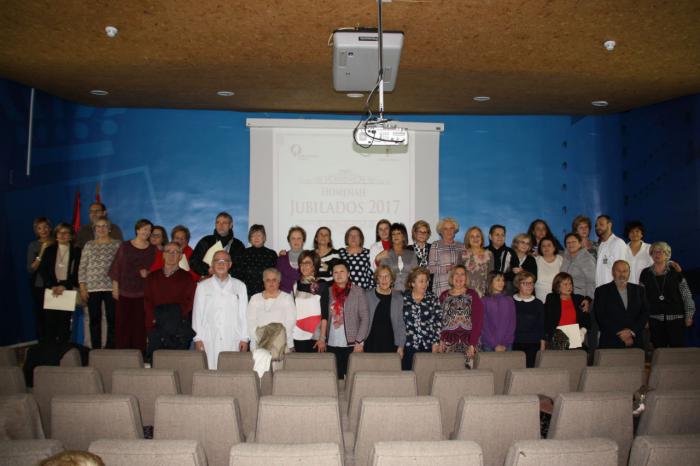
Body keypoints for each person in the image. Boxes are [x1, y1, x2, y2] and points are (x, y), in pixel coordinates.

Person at [192, 250, 249, 369]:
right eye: (217, 261)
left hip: (233, 337)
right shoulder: (202, 286)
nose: (221, 264)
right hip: (208, 338)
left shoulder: (240, 286)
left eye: (225, 261)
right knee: (210, 371)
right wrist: (198, 338)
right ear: (212, 265)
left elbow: (243, 315)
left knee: (231, 373)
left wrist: (244, 338)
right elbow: (197, 314)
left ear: (230, 264)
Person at [108, 219, 157, 352]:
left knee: (139, 326)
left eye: (149, 230)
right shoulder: (125, 246)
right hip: (124, 292)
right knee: (123, 325)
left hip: (143, 293)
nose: (146, 232)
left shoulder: (153, 249)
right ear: (137, 230)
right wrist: (115, 287)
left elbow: (156, 270)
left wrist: (148, 273)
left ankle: (138, 355)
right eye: (144, 229)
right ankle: (122, 356)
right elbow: (116, 267)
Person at [639, 242, 695, 348]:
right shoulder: (645, 273)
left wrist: (689, 315)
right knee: (659, 355)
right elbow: (641, 298)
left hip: (676, 320)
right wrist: (644, 319)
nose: (657, 254)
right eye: (654, 251)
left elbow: (686, 295)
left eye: (661, 251)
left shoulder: (676, 271)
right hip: (654, 320)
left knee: (677, 354)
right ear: (651, 254)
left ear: (667, 254)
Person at [319, 261, 369, 379]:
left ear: (348, 274)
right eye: (335, 272)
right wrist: (323, 337)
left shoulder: (358, 291)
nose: (339, 274)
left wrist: (359, 342)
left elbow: (365, 317)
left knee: (352, 377)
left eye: (342, 271)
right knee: (335, 376)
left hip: (352, 343)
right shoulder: (329, 291)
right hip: (332, 342)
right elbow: (324, 316)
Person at [143, 242, 196, 352]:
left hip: (178, 330)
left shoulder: (187, 278)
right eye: (168, 251)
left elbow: (189, 303)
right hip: (157, 328)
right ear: (163, 255)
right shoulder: (152, 277)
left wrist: (171, 318)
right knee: (157, 366)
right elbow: (147, 302)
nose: (171, 255)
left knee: (177, 365)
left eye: (175, 252)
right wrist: (152, 321)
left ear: (180, 256)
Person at [78, 217, 120, 349]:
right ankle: (95, 348)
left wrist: (117, 286)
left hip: (111, 287)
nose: (101, 229)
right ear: (94, 229)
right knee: (94, 320)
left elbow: (120, 266)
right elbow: (82, 266)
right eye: (98, 226)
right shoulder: (89, 244)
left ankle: (110, 347)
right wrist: (83, 287)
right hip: (92, 288)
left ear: (109, 229)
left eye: (104, 226)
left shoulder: (117, 244)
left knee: (112, 319)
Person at [38, 223, 81, 344]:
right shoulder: (49, 250)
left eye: (66, 233)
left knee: (65, 321)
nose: (62, 235)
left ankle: (63, 349)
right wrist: (52, 285)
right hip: (51, 289)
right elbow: (42, 270)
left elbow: (78, 271)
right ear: (55, 235)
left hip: (67, 288)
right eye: (59, 233)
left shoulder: (77, 251)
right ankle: (50, 350)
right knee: (50, 322)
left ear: (71, 236)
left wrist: (65, 285)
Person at [594, 260, 649, 349]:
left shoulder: (639, 290)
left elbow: (645, 313)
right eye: (618, 271)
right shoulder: (601, 291)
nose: (622, 274)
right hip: (611, 341)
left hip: (635, 341)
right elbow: (601, 317)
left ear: (629, 273)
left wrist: (631, 332)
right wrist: (621, 334)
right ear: (612, 272)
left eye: (625, 271)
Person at [439, 265, 483, 365]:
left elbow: (478, 321)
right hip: (447, 344)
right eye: (456, 274)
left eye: (462, 274)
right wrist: (440, 340)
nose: (459, 277)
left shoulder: (473, 294)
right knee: (448, 375)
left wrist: (473, 344)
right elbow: (439, 320)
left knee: (468, 377)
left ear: (466, 278)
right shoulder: (443, 295)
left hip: (469, 343)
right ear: (452, 277)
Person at [247, 268, 296, 353]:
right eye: (268, 280)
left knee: (279, 367)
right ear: (263, 281)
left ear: (279, 281)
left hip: (281, 345)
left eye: (274, 280)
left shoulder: (287, 298)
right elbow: (250, 321)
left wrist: (275, 339)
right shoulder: (255, 298)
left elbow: (290, 323)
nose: (271, 283)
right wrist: (263, 339)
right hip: (258, 344)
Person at [402, 267, 442, 370]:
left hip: (428, 344)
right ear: (412, 283)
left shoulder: (432, 298)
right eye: (421, 281)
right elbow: (399, 323)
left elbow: (437, 322)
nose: (425, 284)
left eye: (426, 281)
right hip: (408, 345)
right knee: (407, 375)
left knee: (425, 374)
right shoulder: (403, 298)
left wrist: (436, 342)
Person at [364, 265, 406, 356]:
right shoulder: (367, 295)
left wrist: (401, 346)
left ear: (392, 279)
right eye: (381, 276)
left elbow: (400, 324)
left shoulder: (398, 298)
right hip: (370, 343)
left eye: (387, 276)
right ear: (377, 279)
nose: (384, 279)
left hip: (391, 344)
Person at [189, 212, 245, 277]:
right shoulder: (206, 241)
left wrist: (224, 272)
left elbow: (241, 266)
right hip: (207, 281)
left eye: (224, 223)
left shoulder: (238, 245)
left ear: (230, 225)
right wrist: (208, 270)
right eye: (218, 222)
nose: (220, 226)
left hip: (230, 283)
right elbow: (193, 261)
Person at [543, 272, 590, 348]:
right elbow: (548, 321)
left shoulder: (578, 299)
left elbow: (587, 319)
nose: (569, 287)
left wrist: (583, 330)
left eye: (570, 283)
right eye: (565, 284)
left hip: (575, 338)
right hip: (557, 337)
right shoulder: (551, 298)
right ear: (558, 286)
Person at [292, 250, 326, 352]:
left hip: (315, 334)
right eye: (302, 263)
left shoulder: (322, 284)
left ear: (314, 266)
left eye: (307, 263)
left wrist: (322, 337)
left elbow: (325, 314)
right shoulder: (295, 284)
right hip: (297, 333)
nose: (304, 266)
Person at [27, 217, 54, 339]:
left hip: (56, 285)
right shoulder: (33, 245)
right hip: (40, 285)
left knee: (55, 316)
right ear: (36, 231)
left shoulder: (57, 243)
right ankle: (42, 345)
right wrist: (42, 251)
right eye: (39, 228)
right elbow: (31, 268)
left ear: (50, 228)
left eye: (45, 227)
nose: (43, 230)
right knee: (42, 316)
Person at [234, 224, 278, 297]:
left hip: (267, 294)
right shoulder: (242, 254)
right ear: (250, 238)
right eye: (253, 235)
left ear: (264, 237)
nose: (256, 238)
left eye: (259, 235)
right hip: (246, 294)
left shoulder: (271, 254)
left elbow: (276, 277)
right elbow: (237, 276)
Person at [512, 271, 545, 367]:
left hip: (533, 344)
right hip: (514, 342)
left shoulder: (538, 303)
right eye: (525, 283)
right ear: (518, 285)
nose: (529, 286)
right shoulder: (510, 301)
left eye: (531, 283)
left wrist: (542, 345)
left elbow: (541, 325)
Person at [428, 217, 466, 297]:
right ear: (441, 231)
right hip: (441, 286)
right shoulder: (436, 245)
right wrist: (446, 268)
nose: (449, 231)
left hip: (458, 286)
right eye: (445, 229)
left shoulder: (461, 246)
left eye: (451, 228)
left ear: (455, 230)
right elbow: (430, 268)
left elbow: (464, 267)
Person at [481, 271, 516, 352]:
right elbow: (484, 325)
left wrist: (505, 343)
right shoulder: (484, 301)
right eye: (498, 280)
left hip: (507, 345)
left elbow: (512, 324)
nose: (501, 283)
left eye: (503, 280)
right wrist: (494, 344)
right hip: (489, 344)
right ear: (490, 282)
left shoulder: (509, 300)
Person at [378, 223, 418, 292]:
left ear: (404, 237)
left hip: (409, 292)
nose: (395, 236)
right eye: (393, 234)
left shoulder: (411, 254)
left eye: (398, 233)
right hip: (390, 292)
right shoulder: (386, 254)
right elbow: (381, 275)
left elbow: (415, 275)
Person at [594, 215, 631, 287]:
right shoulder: (601, 244)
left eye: (601, 224)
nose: (598, 227)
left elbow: (621, 270)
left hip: (613, 290)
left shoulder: (618, 243)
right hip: (601, 289)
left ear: (609, 225)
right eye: (596, 225)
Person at [560, 232, 596, 300]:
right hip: (565, 296)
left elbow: (592, 281)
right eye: (568, 242)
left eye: (574, 242)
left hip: (581, 296)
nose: (571, 244)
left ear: (580, 243)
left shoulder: (587, 259)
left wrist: (588, 298)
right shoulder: (565, 256)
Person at [462, 226, 494, 297]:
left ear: (481, 238)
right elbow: (459, 275)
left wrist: (489, 292)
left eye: (477, 236)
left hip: (484, 292)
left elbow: (491, 276)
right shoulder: (462, 254)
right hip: (466, 292)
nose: (475, 239)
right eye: (472, 236)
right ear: (468, 239)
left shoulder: (489, 254)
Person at [276, 226, 305, 293]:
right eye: (293, 238)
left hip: (305, 297)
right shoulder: (281, 258)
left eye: (299, 238)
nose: (296, 241)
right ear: (289, 241)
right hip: (284, 297)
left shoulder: (310, 257)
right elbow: (277, 280)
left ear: (303, 241)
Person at [534, 238, 563, 302]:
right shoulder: (535, 260)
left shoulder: (561, 260)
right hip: (539, 299)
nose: (546, 248)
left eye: (549, 245)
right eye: (543, 246)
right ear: (540, 248)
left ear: (554, 247)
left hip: (558, 298)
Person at [487, 224, 515, 290]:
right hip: (487, 286)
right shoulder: (483, 251)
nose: (500, 237)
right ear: (490, 236)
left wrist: (500, 279)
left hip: (505, 286)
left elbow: (514, 272)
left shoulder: (511, 252)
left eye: (503, 235)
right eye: (497, 234)